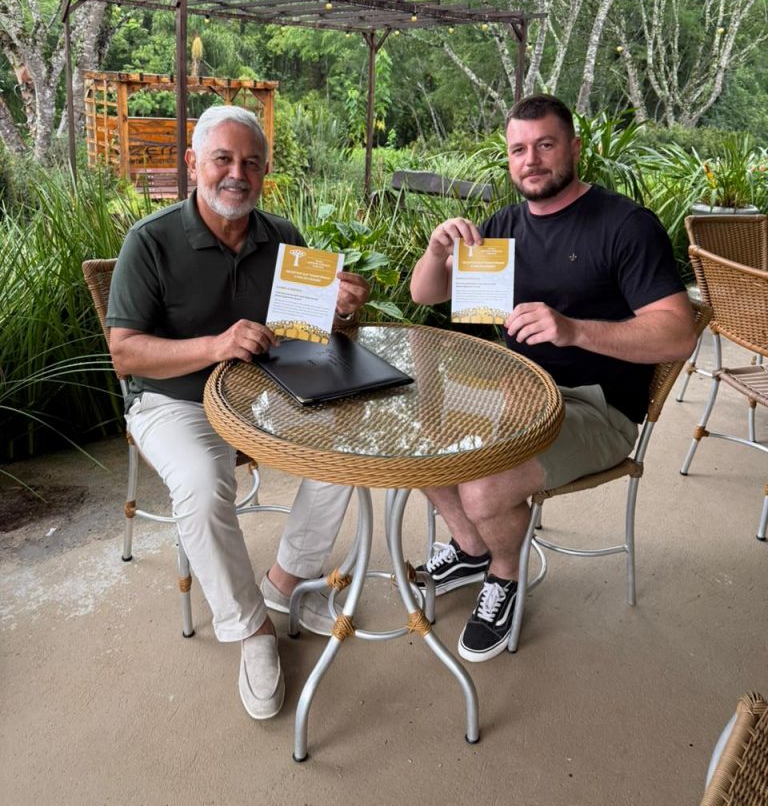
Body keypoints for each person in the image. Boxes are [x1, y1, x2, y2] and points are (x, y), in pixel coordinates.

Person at [410, 94, 697, 663]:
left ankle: (504, 574)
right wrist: (437, 250)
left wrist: (573, 331)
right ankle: (470, 546)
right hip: (511, 394)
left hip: (596, 407)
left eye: (545, 145)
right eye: (519, 149)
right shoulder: (502, 225)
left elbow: (678, 333)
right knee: (416, 439)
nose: (531, 159)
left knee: (483, 484)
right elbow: (426, 294)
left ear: (573, 148)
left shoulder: (624, 226)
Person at [106, 105, 369, 719]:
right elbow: (124, 353)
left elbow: (311, 330)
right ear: (193, 163)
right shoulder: (150, 241)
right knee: (202, 482)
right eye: (222, 159)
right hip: (174, 398)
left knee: (351, 446)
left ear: (265, 171)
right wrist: (216, 345)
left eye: (250, 162)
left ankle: (283, 583)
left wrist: (344, 307)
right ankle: (250, 628)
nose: (236, 173)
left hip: (267, 392)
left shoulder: (282, 238)